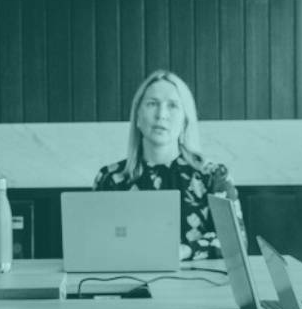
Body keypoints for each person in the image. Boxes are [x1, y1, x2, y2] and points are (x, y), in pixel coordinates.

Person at [91, 70, 235, 261]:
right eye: (152, 104)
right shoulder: (110, 178)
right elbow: (93, 243)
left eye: (173, 106)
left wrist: (184, 251)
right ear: (138, 117)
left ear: (185, 121)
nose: (161, 114)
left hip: (197, 287)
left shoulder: (214, 176)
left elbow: (235, 242)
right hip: (128, 285)